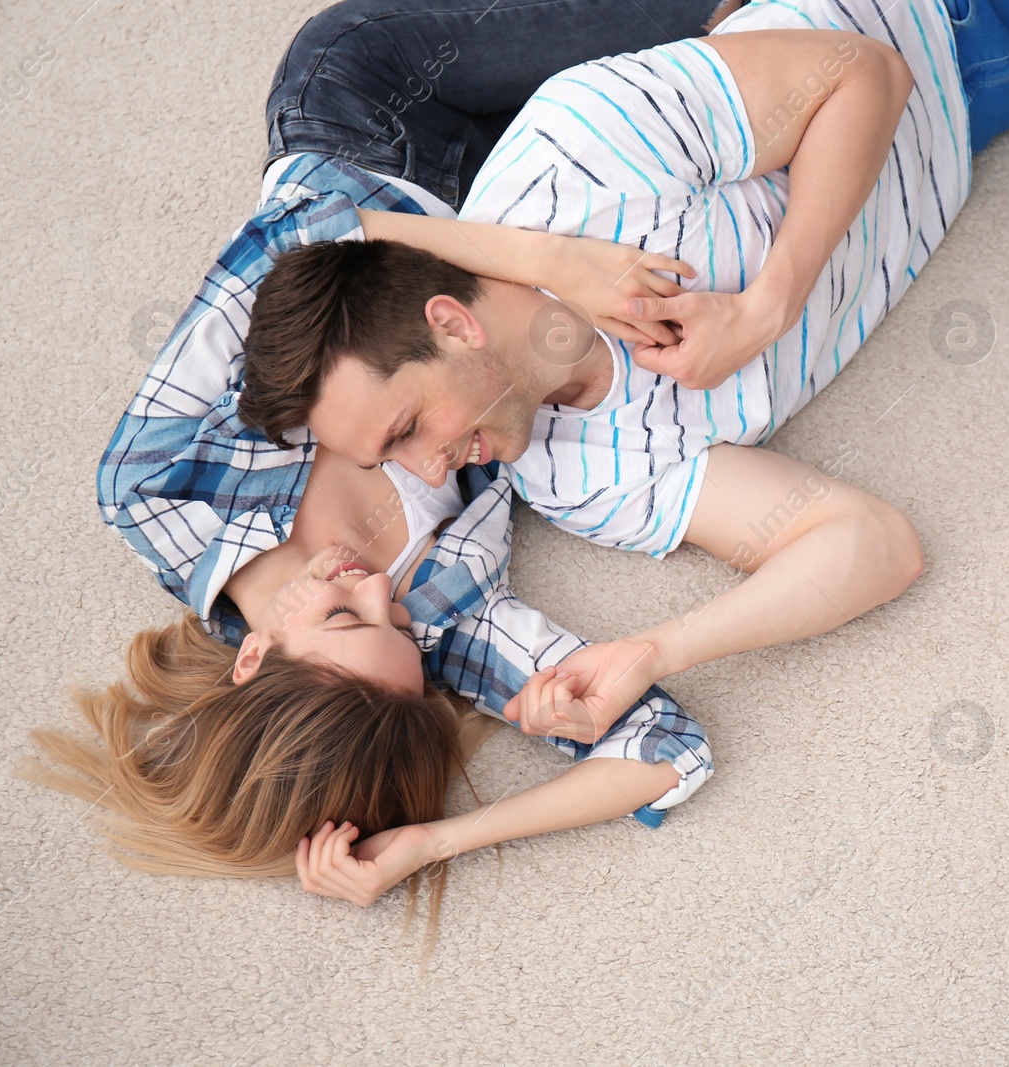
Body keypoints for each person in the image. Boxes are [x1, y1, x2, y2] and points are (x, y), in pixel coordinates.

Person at [235, 0, 1009, 753]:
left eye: (406, 430)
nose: (435, 471)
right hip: (988, 97)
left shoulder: (570, 159)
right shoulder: (573, 481)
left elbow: (862, 73)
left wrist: (765, 306)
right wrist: (653, 647)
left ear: (450, 322)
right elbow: (875, 543)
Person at [47, 1, 740, 914]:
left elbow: (311, 227)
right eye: (398, 630)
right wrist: (433, 840)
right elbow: (663, 752)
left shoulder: (155, 487)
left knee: (716, 12)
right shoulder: (443, 622)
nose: (378, 588)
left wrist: (555, 263)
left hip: (391, 129)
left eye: (343, 616)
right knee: (778, 60)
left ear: (254, 654)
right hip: (552, 202)